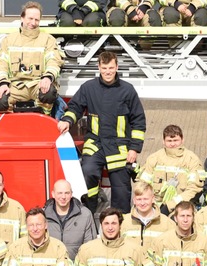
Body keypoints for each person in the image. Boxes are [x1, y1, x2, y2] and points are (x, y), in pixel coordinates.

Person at [58, 50, 147, 213]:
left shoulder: (127, 90)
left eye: (111, 68)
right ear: (99, 67)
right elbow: (75, 107)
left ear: (117, 67)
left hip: (119, 148)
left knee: (121, 189)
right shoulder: (88, 88)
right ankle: (88, 212)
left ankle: (120, 223)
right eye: (105, 68)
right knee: (87, 172)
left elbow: (138, 121)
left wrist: (134, 149)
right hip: (95, 144)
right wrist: (67, 120)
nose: (108, 72)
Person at [0, 0, 63, 112]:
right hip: (15, 86)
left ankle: (43, 120)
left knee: (49, 93)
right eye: (30, 18)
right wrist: (3, 84)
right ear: (22, 18)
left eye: (36, 20)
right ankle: (9, 126)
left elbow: (54, 61)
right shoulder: (9, 40)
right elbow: (1, 65)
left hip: (37, 84)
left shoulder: (48, 40)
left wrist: (47, 77)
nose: (33, 23)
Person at [138, 124, 205, 215]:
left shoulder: (192, 160)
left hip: (182, 208)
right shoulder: (154, 158)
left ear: (182, 140)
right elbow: (143, 186)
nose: (173, 144)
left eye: (176, 140)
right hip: (154, 208)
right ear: (163, 141)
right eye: (169, 140)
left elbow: (193, 189)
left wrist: (170, 205)